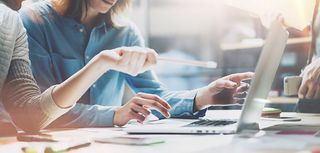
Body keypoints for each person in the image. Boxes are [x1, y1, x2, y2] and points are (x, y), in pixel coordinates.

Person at [20, 0, 253, 128]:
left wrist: (203, 97)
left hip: (105, 144)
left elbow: (154, 95)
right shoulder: (33, 22)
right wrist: (114, 115)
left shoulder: (126, 32)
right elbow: (39, 109)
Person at [0, 0, 170, 134]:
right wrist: (114, 114)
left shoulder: (13, 21)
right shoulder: (31, 20)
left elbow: (30, 113)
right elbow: (34, 116)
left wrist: (197, 100)